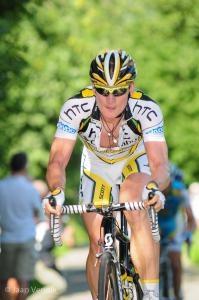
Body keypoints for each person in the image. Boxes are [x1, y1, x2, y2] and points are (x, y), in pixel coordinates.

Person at [43, 49, 170, 300]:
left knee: (134, 202)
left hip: (134, 162)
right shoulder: (75, 108)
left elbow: (160, 163)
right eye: (102, 91)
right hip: (96, 167)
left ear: (131, 88)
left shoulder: (147, 109)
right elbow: (57, 160)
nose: (110, 100)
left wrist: (155, 186)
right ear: (93, 88)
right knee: (97, 242)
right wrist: (56, 191)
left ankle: (152, 293)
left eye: (118, 91)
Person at [0, 152, 41, 300]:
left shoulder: (2, 186)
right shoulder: (31, 189)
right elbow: (39, 215)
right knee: (23, 281)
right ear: (25, 166)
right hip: (26, 238)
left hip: (6, 239)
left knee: (4, 280)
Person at [159, 164, 196, 300]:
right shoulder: (151, 190)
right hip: (155, 226)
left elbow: (191, 219)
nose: (165, 187)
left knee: (175, 263)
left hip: (173, 227)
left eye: (168, 181)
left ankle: (177, 294)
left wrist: (187, 234)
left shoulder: (179, 191)